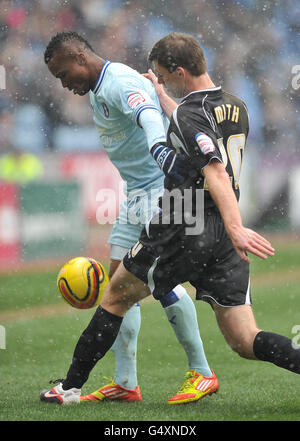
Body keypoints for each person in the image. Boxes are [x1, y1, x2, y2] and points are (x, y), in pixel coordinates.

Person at [40, 31, 218, 405]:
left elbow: (148, 112)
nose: (65, 84)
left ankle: (203, 372)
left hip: (161, 192)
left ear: (79, 57)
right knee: (119, 286)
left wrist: (159, 150)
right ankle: (125, 383)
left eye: (64, 74)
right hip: (137, 193)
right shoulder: (98, 88)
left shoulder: (119, 81)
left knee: (159, 282)